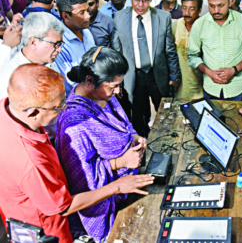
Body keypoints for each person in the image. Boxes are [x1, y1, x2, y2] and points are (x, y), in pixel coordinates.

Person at [0, 64, 154, 243]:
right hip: (46, 231)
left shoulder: (10, 108)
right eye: (57, 107)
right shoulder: (31, 161)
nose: (64, 110)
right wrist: (117, 186)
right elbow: (64, 207)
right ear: (33, 112)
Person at [55, 47, 148, 241]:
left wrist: (134, 136)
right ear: (89, 81)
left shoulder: (103, 95)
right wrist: (121, 162)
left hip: (128, 185)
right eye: (113, 85)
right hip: (107, 205)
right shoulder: (74, 124)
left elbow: (123, 125)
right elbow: (83, 182)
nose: (118, 91)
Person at [113, 0, 181, 137]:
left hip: (157, 74)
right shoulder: (119, 18)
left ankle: (167, 141)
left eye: (145, 0)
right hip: (133, 76)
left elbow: (170, 50)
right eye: (136, 0)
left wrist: (175, 76)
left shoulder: (163, 17)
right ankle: (142, 147)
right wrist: (116, 81)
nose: (140, 5)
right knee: (137, 116)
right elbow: (117, 53)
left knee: (165, 112)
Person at [188, 0, 242, 101]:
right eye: (212, 5)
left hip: (236, 88)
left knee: (234, 117)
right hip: (210, 87)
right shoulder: (199, 24)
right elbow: (192, 56)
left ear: (230, 2)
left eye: (220, 5)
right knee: (210, 117)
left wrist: (234, 70)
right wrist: (209, 72)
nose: (216, 10)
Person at [0, 12, 64, 99]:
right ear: (33, 42)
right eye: (56, 44)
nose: (59, 49)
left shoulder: (49, 62)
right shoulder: (10, 77)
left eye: (60, 44)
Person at [55, 0, 95, 94]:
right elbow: (70, 83)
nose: (87, 16)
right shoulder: (59, 44)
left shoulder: (87, 32)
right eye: (82, 12)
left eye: (87, 10)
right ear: (66, 16)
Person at [172, 0, 202, 100]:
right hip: (181, 88)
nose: (187, 13)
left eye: (192, 9)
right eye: (184, 8)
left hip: (201, 88)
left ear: (199, 10)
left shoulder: (206, 27)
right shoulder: (175, 26)